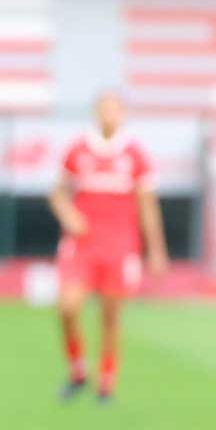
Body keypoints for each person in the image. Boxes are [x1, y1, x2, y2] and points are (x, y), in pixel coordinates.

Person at [49, 91, 167, 403]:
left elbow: (147, 205)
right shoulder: (78, 150)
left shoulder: (134, 154)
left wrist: (155, 249)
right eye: (103, 109)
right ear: (95, 113)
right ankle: (77, 369)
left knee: (111, 315)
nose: (108, 115)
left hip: (120, 244)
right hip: (82, 243)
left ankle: (106, 381)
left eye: (114, 110)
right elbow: (58, 193)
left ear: (124, 114)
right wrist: (68, 214)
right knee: (67, 306)